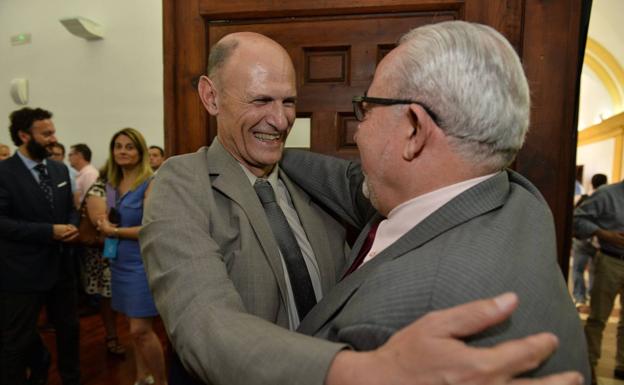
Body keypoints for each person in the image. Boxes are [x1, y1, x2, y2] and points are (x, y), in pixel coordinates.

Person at [141, 31, 584, 385]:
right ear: (211, 97)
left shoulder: (315, 182)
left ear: (413, 129)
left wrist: (270, 152)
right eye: (260, 101)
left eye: (289, 101)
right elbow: (203, 319)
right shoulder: (183, 181)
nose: (280, 120)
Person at [280, 20, 589, 379]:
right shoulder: (516, 200)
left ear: (413, 128)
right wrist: (274, 152)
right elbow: (351, 180)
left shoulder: (398, 321)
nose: (359, 129)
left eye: (366, 108)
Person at [0, 107, 81, 385]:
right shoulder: (4, 173)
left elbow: (70, 208)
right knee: (17, 340)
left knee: (69, 332)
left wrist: (72, 225)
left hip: (61, 269)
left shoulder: (59, 169)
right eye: (46, 134)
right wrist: (49, 232)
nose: (53, 139)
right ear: (24, 135)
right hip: (22, 273)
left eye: (53, 132)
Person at [95, 127, 166, 385]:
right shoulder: (113, 185)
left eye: (129, 146)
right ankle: (141, 377)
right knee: (134, 331)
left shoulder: (152, 183)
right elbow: (112, 222)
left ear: (140, 151)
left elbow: (150, 228)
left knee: (141, 330)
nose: (122, 151)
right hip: (118, 263)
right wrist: (105, 231)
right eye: (118, 146)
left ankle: (161, 381)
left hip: (141, 264)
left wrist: (113, 230)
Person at [575, 176, 624, 383]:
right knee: (597, 318)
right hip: (611, 261)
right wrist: (603, 233)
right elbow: (577, 219)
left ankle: (622, 365)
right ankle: (590, 367)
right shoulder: (607, 194)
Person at [80, 165, 126, 357]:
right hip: (106, 254)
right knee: (108, 298)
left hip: (126, 251)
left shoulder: (132, 187)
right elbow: (102, 228)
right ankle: (111, 336)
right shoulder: (102, 189)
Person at [571, 173, 608, 307]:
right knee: (594, 271)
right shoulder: (608, 199)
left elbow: (575, 218)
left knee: (578, 270)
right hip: (601, 242)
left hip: (583, 240)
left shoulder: (584, 198)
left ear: (592, 183)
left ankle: (580, 298)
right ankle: (593, 297)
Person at [69, 143, 99, 207]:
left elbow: (91, 200)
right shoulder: (84, 173)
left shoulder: (90, 174)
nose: (68, 159)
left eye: (70, 155)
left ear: (79, 155)